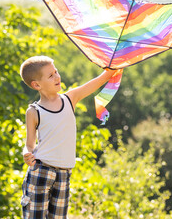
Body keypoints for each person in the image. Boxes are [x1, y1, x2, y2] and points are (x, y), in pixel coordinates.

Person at [19, 56, 116, 218]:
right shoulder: (34, 111)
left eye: (56, 72)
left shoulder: (70, 99)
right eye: (50, 75)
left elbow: (97, 81)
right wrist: (26, 153)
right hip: (41, 171)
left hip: (64, 173)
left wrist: (114, 68)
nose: (57, 77)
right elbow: (29, 144)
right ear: (36, 85)